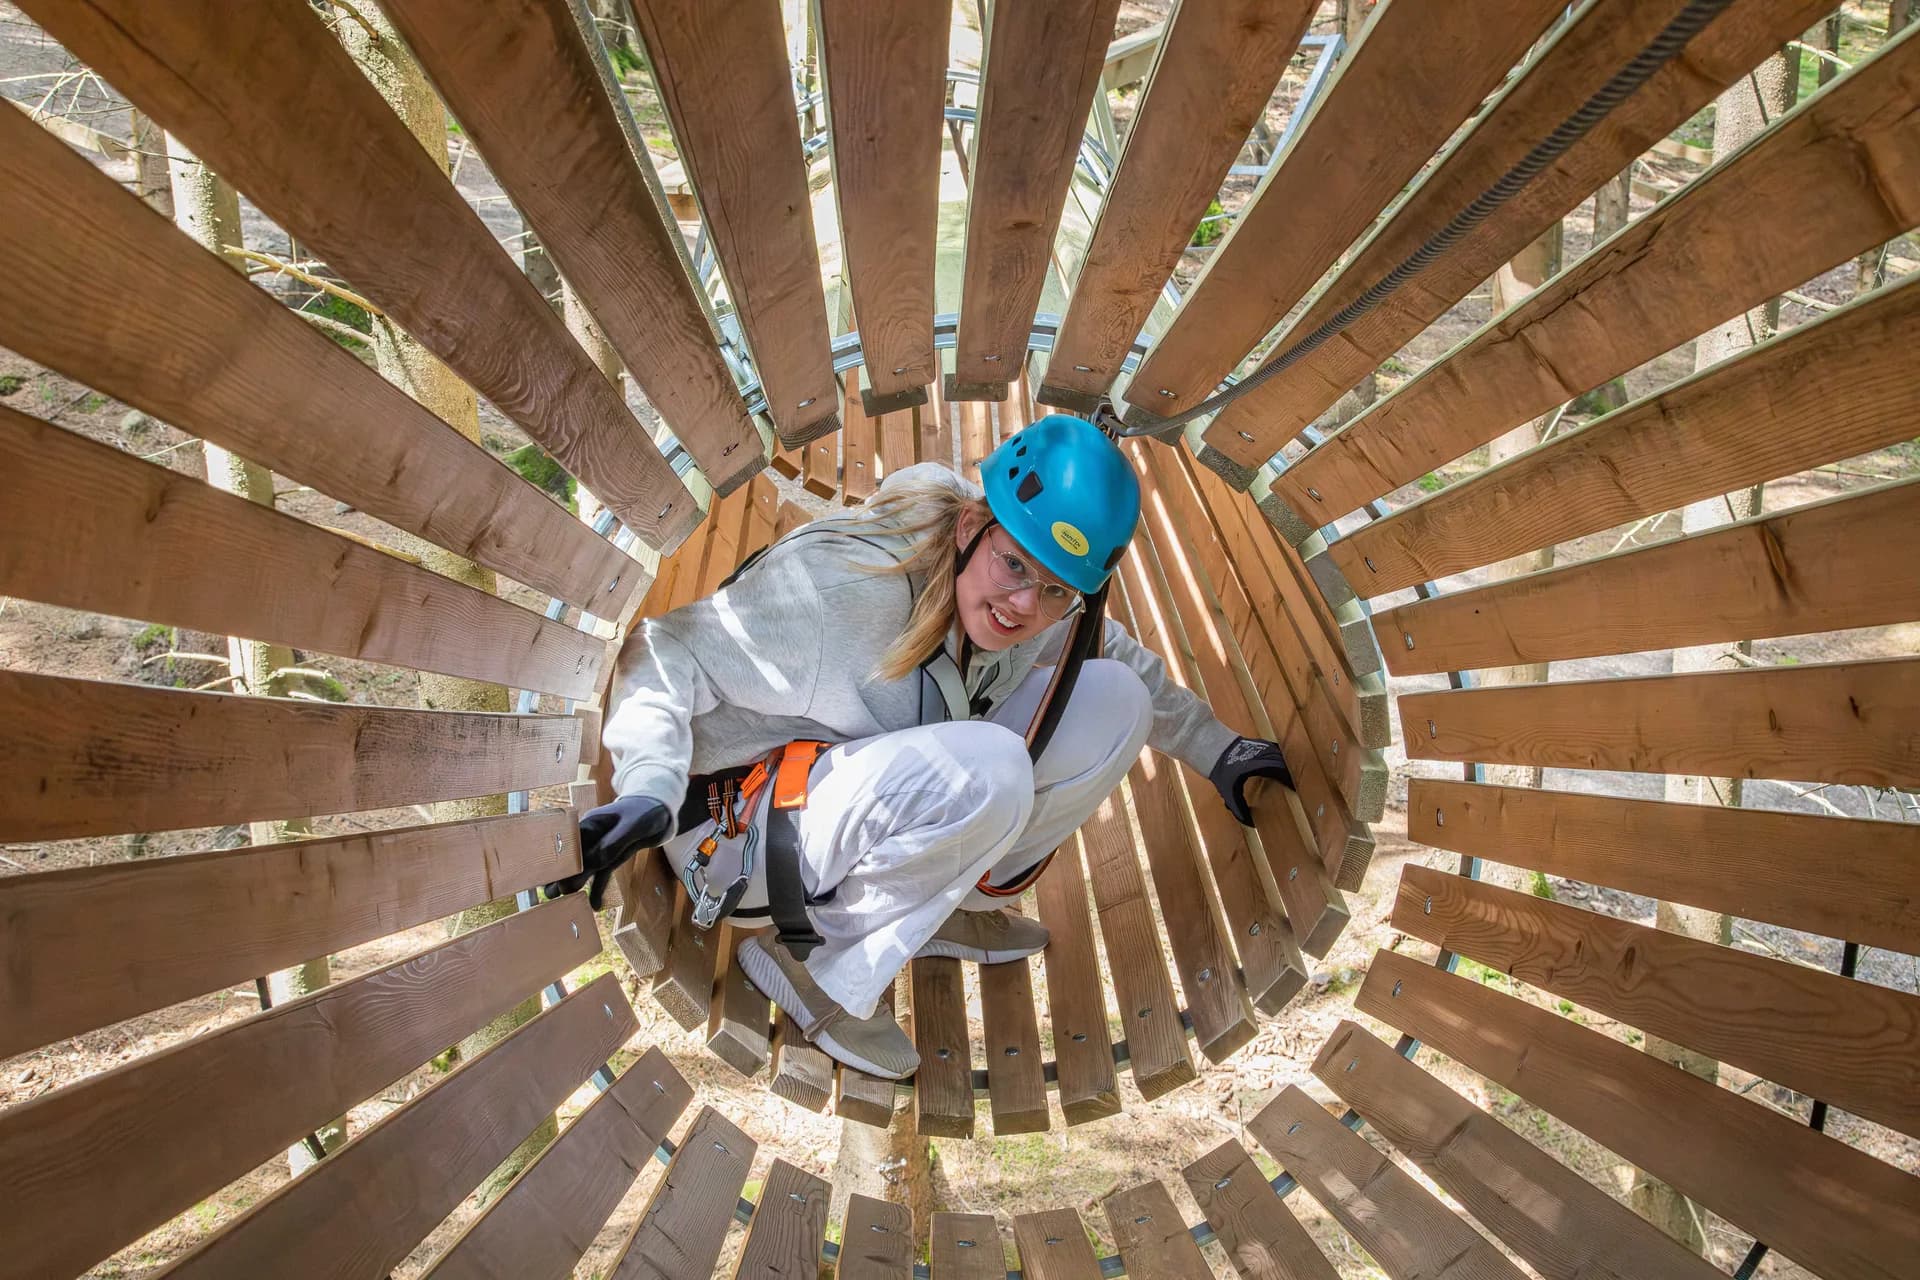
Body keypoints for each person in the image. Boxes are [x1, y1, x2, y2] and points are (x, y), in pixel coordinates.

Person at [550, 414, 1293, 1078]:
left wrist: (1217, 747)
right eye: (1014, 568)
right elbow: (664, 652)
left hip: (836, 807)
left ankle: (926, 907)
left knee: (1115, 701)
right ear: (974, 524)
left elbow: (1111, 655)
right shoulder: (843, 597)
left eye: (1058, 590)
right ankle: (820, 972)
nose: (1023, 606)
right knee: (992, 769)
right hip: (735, 832)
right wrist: (648, 783)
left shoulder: (1023, 584)